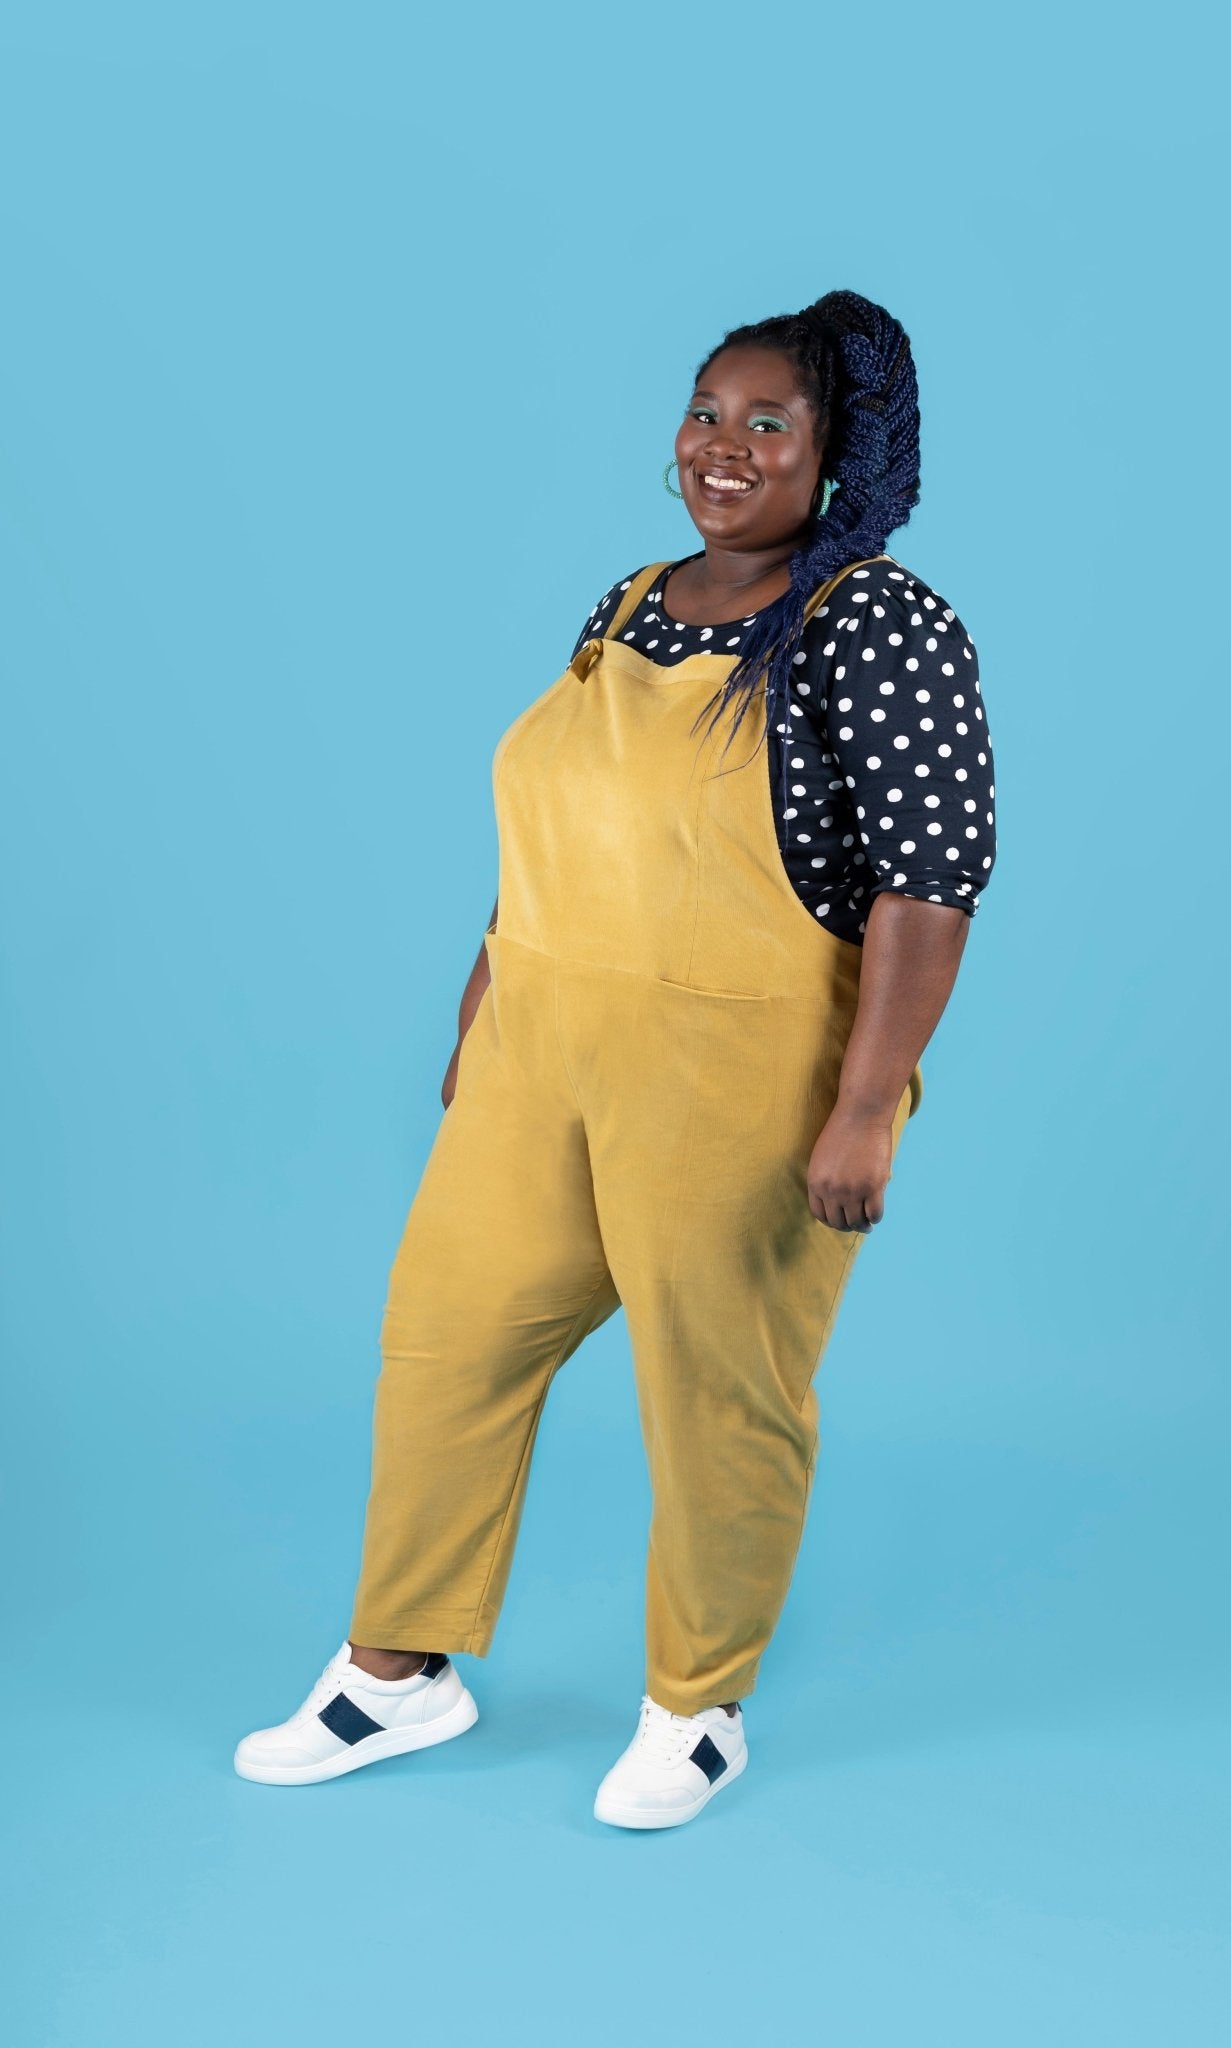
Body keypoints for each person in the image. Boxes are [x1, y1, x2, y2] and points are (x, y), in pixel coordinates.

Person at [234, 289, 997, 1829]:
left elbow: (929, 883)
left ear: (839, 452)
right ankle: (396, 1671)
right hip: (540, 1050)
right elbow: (559, 823)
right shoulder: (630, 601)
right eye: (707, 412)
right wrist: (480, 1005)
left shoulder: (875, 622)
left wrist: (864, 1110)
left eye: (767, 422)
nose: (723, 446)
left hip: (739, 1075)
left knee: (717, 1393)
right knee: (447, 1340)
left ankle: (695, 1707)